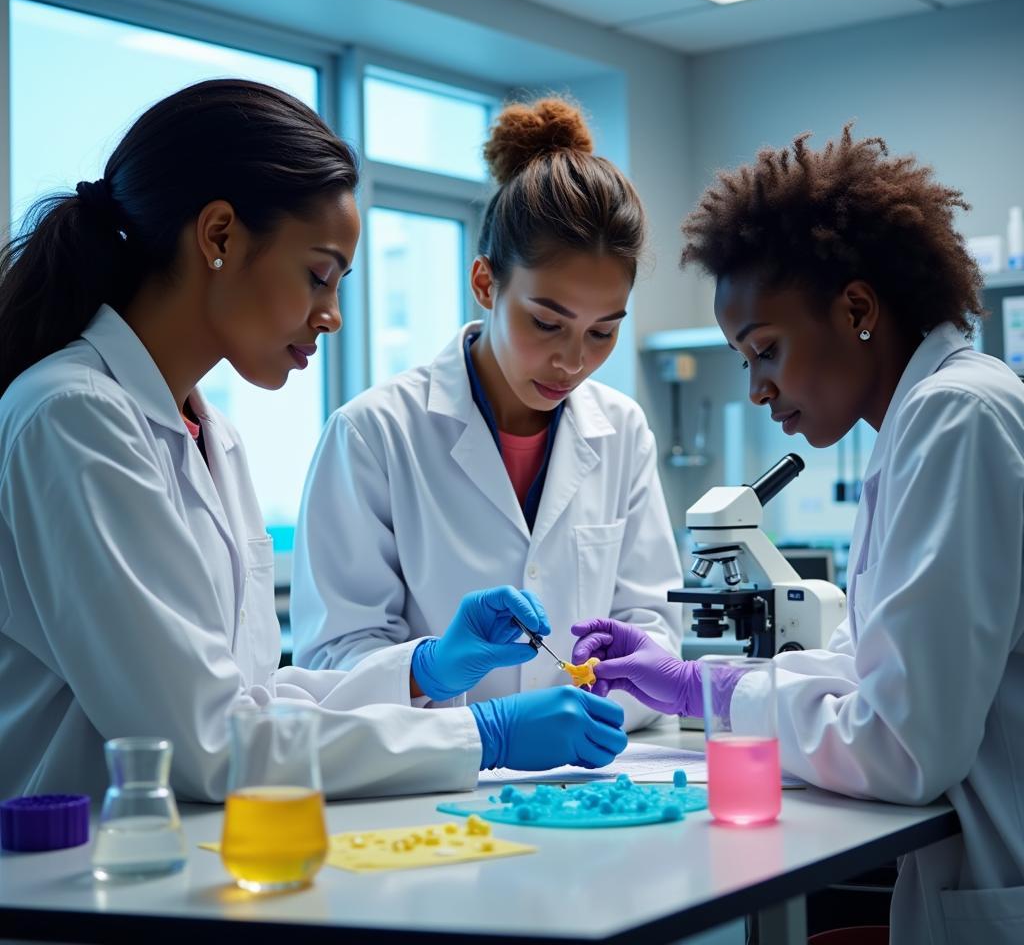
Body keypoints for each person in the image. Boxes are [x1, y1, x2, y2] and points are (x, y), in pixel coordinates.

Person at [0, 79, 627, 805]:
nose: (331, 316)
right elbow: (207, 743)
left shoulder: (210, 436)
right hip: (67, 884)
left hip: (183, 863)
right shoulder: (72, 416)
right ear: (219, 236)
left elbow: (254, 699)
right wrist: (484, 734)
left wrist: (427, 668)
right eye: (318, 275)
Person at [571, 126, 1024, 945]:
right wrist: (690, 685)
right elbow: (873, 669)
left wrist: (707, 693)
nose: (755, 389)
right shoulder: (928, 418)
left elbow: (899, 745)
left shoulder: (955, 417)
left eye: (764, 350)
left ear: (856, 308)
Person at [290, 97, 681, 729]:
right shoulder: (373, 434)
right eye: (547, 322)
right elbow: (333, 658)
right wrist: (471, 713)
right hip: (433, 785)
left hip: (599, 772)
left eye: (602, 332)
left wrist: (601, 696)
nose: (572, 362)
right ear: (485, 284)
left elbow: (651, 626)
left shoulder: (623, 430)